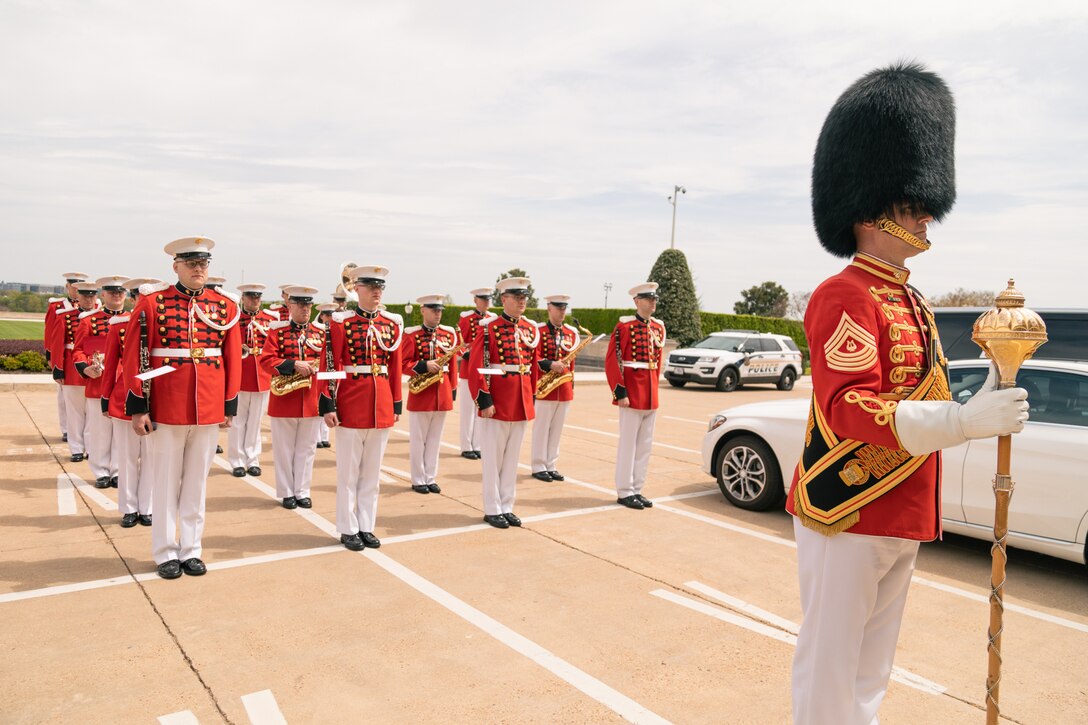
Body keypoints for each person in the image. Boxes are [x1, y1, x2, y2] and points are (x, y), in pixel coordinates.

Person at [787, 63, 1030, 725]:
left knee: (871, 670)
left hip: (902, 503)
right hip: (850, 501)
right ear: (872, 209)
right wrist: (962, 419)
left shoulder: (911, 298)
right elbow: (850, 407)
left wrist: (993, 388)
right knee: (831, 667)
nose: (926, 213)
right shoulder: (845, 293)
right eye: (910, 203)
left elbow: (930, 389)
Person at [123, 236, 242, 580]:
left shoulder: (225, 306)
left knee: (196, 483)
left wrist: (228, 404)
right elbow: (135, 355)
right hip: (167, 404)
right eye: (191, 264)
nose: (198, 269)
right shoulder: (152, 303)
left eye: (203, 264)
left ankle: (191, 549)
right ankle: (164, 551)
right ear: (176, 266)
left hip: (207, 406)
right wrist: (138, 406)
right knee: (164, 480)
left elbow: (232, 358)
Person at [319, 265, 403, 551]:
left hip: (380, 402)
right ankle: (347, 527)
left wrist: (395, 403)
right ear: (357, 289)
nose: (377, 291)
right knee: (348, 472)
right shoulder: (341, 322)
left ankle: (366, 524)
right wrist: (328, 402)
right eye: (371, 286)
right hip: (351, 400)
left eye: (380, 287)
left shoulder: (392, 324)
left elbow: (394, 367)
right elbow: (331, 363)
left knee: (372, 472)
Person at [467, 277, 538, 529]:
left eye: (524, 297)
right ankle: (492, 507)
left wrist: (532, 397)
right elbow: (478, 366)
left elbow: (532, 367)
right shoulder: (489, 327)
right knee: (493, 459)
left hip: (520, 400)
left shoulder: (530, 328)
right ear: (504, 299)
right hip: (497, 401)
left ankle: (507, 504)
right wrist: (484, 398)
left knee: (512, 459)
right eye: (516, 297)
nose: (522, 302)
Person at [100, 277, 160, 526]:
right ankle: (128, 508)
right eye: (138, 298)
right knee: (126, 457)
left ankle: (146, 506)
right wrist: (105, 400)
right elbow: (111, 364)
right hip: (125, 398)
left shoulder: (164, 325)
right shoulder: (119, 325)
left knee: (151, 458)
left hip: (157, 399)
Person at [260, 286, 323, 509]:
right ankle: (287, 491)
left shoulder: (320, 332)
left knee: (307, 449)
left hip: (311, 398)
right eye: (300, 304)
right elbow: (266, 361)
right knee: (284, 449)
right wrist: (293, 364)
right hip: (284, 398)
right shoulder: (277, 331)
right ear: (290, 306)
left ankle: (302, 490)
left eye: (308, 304)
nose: (305, 309)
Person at [604, 283, 666, 509]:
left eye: (654, 298)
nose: (652, 302)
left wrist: (655, 389)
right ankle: (624, 490)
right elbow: (612, 360)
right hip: (632, 392)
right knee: (628, 444)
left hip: (650, 393)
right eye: (647, 298)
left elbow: (656, 363)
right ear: (636, 301)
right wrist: (620, 391)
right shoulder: (625, 327)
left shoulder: (658, 327)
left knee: (645, 445)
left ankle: (637, 488)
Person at [73, 275, 129, 488]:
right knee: (99, 431)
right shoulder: (89, 320)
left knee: (121, 432)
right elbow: (78, 350)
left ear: (125, 295)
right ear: (102, 294)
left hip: (124, 383)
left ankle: (117, 470)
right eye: (112, 292)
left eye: (120, 292)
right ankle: (100, 471)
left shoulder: (133, 319)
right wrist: (85, 368)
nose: (116, 295)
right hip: (99, 382)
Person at [401, 294, 459, 494]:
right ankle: (418, 479)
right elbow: (403, 364)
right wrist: (424, 365)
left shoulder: (448, 334)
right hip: (421, 393)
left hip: (441, 392)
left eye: (440, 310)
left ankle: (430, 477)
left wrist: (452, 390)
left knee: (435, 439)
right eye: (434, 310)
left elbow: (452, 364)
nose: (438, 314)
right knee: (418, 439)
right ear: (423, 310)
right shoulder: (412, 334)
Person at [48, 280, 100, 462]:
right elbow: (56, 344)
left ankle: (92, 448)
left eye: (92, 295)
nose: (89, 299)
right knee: (74, 412)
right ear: (77, 296)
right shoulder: (65, 316)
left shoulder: (101, 317)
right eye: (85, 295)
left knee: (93, 413)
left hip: (96, 368)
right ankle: (77, 448)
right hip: (72, 369)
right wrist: (58, 369)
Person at [229, 283, 277, 477]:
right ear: (243, 298)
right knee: (238, 421)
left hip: (261, 375)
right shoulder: (235, 319)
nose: (254, 300)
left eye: (257, 297)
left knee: (255, 422)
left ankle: (253, 459)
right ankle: (237, 460)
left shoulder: (269, 319)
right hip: (240, 375)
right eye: (250, 297)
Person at [530, 294, 578, 482]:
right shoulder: (538, 331)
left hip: (563, 387)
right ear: (549, 308)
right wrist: (550, 364)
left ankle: (551, 464)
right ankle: (538, 465)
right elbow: (534, 356)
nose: (562, 312)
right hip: (545, 387)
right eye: (558, 308)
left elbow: (572, 361)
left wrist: (570, 382)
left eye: (564, 308)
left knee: (557, 429)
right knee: (541, 428)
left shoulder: (571, 332)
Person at [46, 272, 89, 443]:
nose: (77, 288)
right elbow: (51, 333)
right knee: (64, 398)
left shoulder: (96, 304)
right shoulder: (57, 306)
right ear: (68, 286)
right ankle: (66, 429)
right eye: (73, 285)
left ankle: (82, 432)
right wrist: (53, 358)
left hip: (86, 356)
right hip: (66, 356)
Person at [456, 288, 495, 459]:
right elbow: (458, 341)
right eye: (483, 299)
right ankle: (466, 445)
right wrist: (466, 354)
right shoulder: (467, 318)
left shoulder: (492, 319)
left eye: (488, 299)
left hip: (486, 368)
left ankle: (477, 445)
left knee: (482, 405)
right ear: (475, 300)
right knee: (467, 410)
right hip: (468, 368)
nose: (486, 302)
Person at [313, 302, 338, 448]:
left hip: (331, 371)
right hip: (317, 370)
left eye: (332, 315)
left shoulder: (336, 330)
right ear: (321, 316)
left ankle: (325, 436)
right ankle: (317, 437)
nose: (329, 317)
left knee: (331, 402)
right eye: (327, 314)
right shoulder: (316, 330)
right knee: (319, 403)